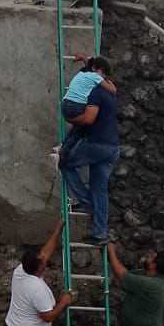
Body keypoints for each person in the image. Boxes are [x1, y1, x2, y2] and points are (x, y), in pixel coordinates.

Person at [60, 67, 120, 243]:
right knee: (100, 188)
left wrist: (71, 120)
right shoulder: (111, 93)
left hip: (96, 144)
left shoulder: (95, 93)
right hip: (112, 147)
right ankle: (99, 233)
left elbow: (88, 120)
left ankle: (86, 202)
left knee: (65, 163)